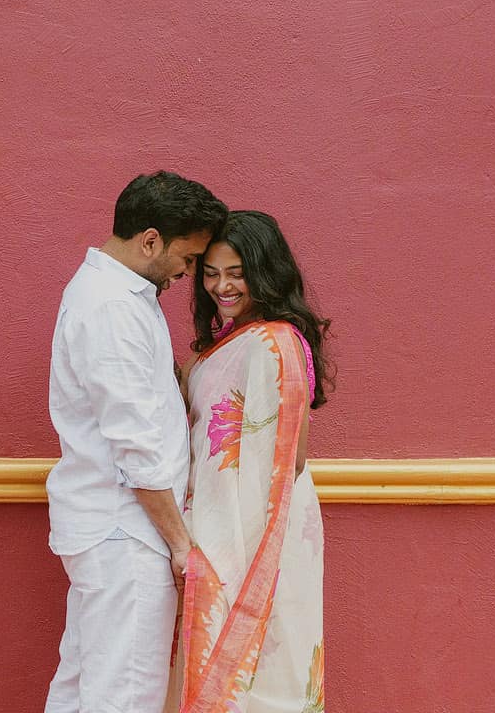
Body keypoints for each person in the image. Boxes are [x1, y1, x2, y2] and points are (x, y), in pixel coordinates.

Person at [45, 171, 228, 713]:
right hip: (127, 532)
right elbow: (135, 447)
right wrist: (180, 544)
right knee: (124, 699)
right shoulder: (113, 308)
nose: (189, 273)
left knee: (83, 691)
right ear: (150, 240)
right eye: (189, 258)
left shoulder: (115, 296)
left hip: (112, 530)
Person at [168, 211, 331, 713]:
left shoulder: (276, 343)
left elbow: (288, 459)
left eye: (235, 272)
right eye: (211, 273)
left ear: (263, 268)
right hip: (227, 525)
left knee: (267, 667)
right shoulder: (231, 344)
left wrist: (226, 543)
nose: (221, 286)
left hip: (263, 531)